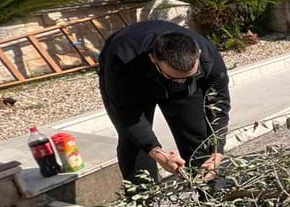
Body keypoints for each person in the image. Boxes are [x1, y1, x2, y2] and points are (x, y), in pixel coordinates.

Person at [98, 19, 230, 184]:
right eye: (175, 78)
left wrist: (217, 150)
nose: (181, 83)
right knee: (135, 144)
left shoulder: (209, 56)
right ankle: (146, 203)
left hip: (173, 73)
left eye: (189, 76)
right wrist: (158, 154)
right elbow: (128, 117)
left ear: (198, 54)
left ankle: (212, 197)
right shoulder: (121, 60)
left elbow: (219, 104)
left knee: (198, 137)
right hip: (133, 81)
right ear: (153, 59)